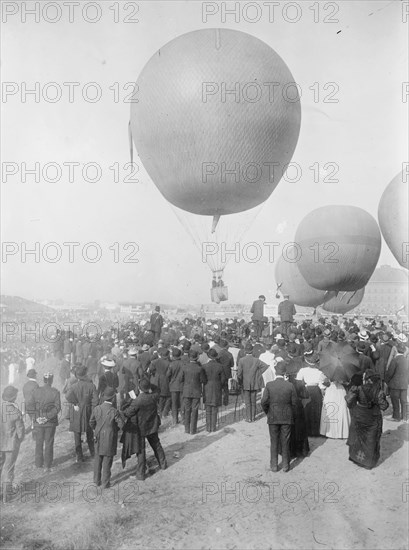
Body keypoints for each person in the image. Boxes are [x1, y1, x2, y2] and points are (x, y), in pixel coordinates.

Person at [123, 379, 167, 481]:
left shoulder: (137, 400)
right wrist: (148, 385)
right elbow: (157, 389)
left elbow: (127, 413)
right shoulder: (154, 396)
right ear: (149, 388)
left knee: (141, 451)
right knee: (157, 445)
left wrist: (130, 402)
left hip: (141, 428)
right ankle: (163, 464)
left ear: (139, 388)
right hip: (152, 426)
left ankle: (141, 474)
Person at [345, 369, 389, 469]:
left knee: (358, 437)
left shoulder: (358, 388)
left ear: (367, 379)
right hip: (373, 417)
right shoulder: (379, 391)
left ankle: (355, 458)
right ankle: (368, 463)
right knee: (371, 439)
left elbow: (349, 401)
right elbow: (384, 406)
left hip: (359, 415)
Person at [261, 361, 297, 472]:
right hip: (286, 417)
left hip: (273, 416)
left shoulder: (269, 385)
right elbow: (294, 402)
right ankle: (286, 465)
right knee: (286, 441)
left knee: (274, 441)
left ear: (276, 372)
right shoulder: (290, 385)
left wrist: (268, 412)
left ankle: (274, 465)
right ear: (285, 372)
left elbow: (264, 402)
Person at [90, 387, 125, 489]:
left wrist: (96, 429)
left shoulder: (96, 409)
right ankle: (105, 483)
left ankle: (96, 481)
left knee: (98, 459)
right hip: (110, 438)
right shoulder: (114, 411)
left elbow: (91, 422)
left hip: (98, 437)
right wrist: (114, 430)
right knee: (107, 460)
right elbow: (121, 425)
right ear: (113, 398)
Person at [28, 373, 61, 472]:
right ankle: (47, 465)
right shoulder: (55, 392)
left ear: (43, 380)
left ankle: (38, 464)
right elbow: (57, 407)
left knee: (39, 442)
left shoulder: (36, 391)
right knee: (49, 442)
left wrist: (36, 417)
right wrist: (47, 417)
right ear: (51, 380)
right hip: (50, 422)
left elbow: (29, 406)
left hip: (38, 422)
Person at [66, 366, 98, 463]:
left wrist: (75, 403)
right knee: (89, 433)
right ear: (85, 374)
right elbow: (95, 401)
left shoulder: (73, 386)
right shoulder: (91, 386)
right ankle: (93, 454)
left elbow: (67, 396)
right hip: (88, 411)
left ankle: (79, 457)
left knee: (77, 434)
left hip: (76, 411)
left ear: (77, 376)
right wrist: (93, 412)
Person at [0, 386, 25, 501]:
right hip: (10, 445)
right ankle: (6, 495)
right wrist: (20, 439)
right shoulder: (15, 411)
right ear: (13, 397)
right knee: (8, 469)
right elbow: (20, 432)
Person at [296, 352, 327, 436]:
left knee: (307, 410)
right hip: (316, 390)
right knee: (317, 410)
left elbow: (298, 380)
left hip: (307, 390)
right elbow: (321, 385)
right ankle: (316, 431)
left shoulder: (303, 370)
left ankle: (307, 430)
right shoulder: (320, 372)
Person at [237, 343, 268, 423]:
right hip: (254, 382)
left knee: (247, 402)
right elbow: (265, 366)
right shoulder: (256, 360)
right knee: (253, 401)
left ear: (245, 351)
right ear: (252, 351)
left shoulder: (241, 360)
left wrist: (239, 380)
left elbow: (239, 373)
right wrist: (258, 373)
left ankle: (248, 417)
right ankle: (253, 417)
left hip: (245, 382)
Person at [319, 367, 351, 439]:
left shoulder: (342, 371)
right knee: (331, 409)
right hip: (331, 390)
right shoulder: (325, 372)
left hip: (339, 391)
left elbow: (348, 382)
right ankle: (330, 432)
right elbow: (321, 382)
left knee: (340, 409)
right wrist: (324, 385)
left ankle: (340, 432)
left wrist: (341, 381)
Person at [180, 349, 206, 434]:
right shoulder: (199, 369)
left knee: (187, 409)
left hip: (186, 391)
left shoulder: (184, 367)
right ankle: (193, 430)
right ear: (197, 357)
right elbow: (203, 380)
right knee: (195, 410)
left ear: (189, 357)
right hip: (196, 391)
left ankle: (187, 429)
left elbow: (181, 379)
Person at [202, 349, 226, 432]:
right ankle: (213, 427)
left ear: (208, 356)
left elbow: (202, 379)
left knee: (208, 408)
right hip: (216, 387)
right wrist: (219, 385)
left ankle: (208, 427)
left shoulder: (204, 366)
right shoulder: (220, 366)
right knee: (215, 408)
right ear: (216, 356)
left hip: (207, 387)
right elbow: (223, 380)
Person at [385, 342, 408, 421]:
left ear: (396, 350)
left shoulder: (395, 360)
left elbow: (390, 373)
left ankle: (396, 416)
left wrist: (387, 381)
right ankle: (404, 417)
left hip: (395, 384)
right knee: (404, 401)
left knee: (395, 401)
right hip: (404, 384)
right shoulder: (406, 360)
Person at [149, 348, 171, 418]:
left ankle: (160, 411)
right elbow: (170, 373)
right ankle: (164, 412)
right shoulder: (169, 363)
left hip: (156, 380)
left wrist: (154, 374)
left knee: (160, 396)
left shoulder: (154, 362)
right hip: (165, 380)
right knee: (167, 396)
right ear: (167, 355)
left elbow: (150, 370)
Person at [167, 348, 184, 424]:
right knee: (182, 402)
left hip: (173, 386)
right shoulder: (183, 363)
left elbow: (168, 375)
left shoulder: (171, 364)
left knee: (174, 403)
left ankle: (175, 419)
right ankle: (183, 418)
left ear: (173, 356)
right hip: (182, 385)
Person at [217, 339, 234, 407]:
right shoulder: (229, 354)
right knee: (226, 387)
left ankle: (219, 401)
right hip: (227, 372)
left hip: (219, 372)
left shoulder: (218, 354)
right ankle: (226, 401)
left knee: (219, 387)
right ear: (227, 346)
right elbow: (232, 364)